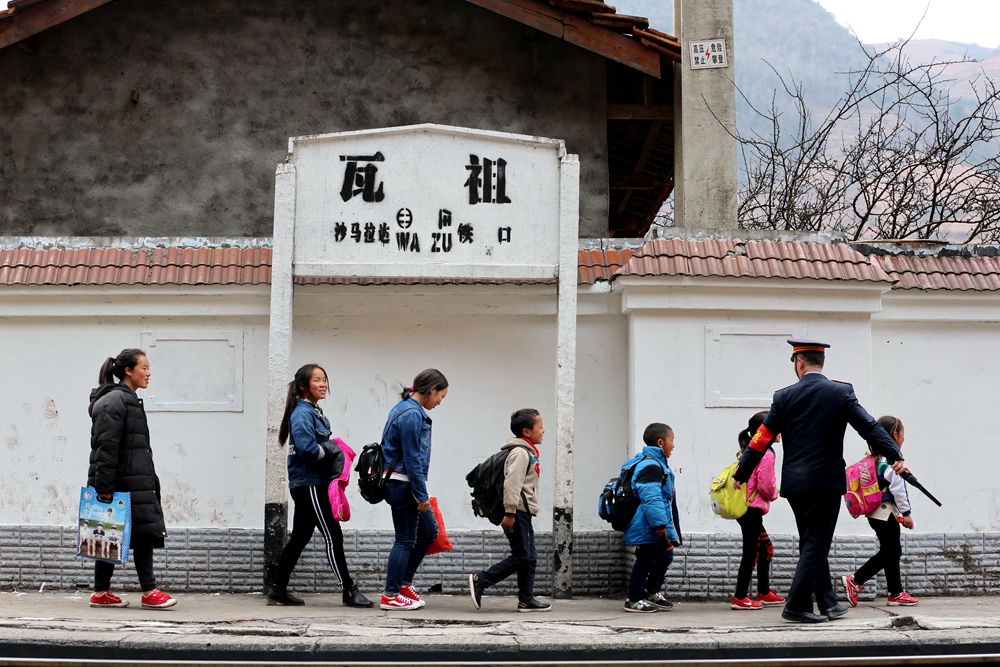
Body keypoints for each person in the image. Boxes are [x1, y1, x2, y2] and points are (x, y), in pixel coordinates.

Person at [733, 339, 907, 623]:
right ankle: (797, 605)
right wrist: (895, 453)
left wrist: (742, 472)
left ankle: (828, 603)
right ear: (819, 362)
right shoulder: (841, 392)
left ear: (799, 363)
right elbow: (870, 428)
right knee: (816, 543)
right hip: (825, 483)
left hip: (795, 485)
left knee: (812, 542)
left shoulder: (783, 397)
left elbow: (761, 438)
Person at [267, 364, 372, 608]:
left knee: (300, 537)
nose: (323, 384)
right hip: (311, 484)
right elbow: (307, 449)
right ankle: (349, 590)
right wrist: (330, 450)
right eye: (317, 380)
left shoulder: (312, 411)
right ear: (304, 386)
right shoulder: (303, 414)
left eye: (324, 379)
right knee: (333, 536)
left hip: (309, 483)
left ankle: (278, 589)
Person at [88, 348, 176, 609]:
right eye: (144, 367)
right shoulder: (115, 401)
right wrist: (104, 487)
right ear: (128, 370)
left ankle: (101, 593)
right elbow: (106, 446)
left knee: (118, 536)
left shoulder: (128, 400)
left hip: (133, 480)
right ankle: (150, 592)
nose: (149, 373)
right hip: (123, 482)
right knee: (138, 535)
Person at [468, 408, 551, 613]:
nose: (543, 430)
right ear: (526, 432)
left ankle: (526, 600)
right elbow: (512, 484)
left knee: (529, 556)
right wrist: (510, 512)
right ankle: (482, 579)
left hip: (523, 511)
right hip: (518, 512)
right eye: (540, 427)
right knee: (522, 555)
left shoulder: (527, 451)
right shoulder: (521, 453)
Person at [379, 369, 448, 611]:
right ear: (432, 390)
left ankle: (403, 584)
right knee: (405, 539)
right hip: (402, 484)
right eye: (441, 396)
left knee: (429, 530)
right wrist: (421, 496)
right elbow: (412, 458)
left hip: (404, 482)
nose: (440, 402)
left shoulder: (407, 409)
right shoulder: (411, 415)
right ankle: (390, 594)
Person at [842, 415, 920, 607]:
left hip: (875, 513)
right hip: (886, 513)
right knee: (890, 551)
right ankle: (856, 580)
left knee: (892, 551)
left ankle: (896, 593)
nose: (903, 438)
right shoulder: (892, 463)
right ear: (894, 435)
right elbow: (899, 492)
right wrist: (907, 514)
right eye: (902, 434)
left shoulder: (875, 460)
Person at [621, 423, 681, 613]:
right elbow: (651, 498)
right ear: (661, 442)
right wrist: (659, 524)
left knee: (665, 555)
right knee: (646, 559)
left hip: (653, 522)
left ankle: (651, 592)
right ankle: (633, 598)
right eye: (672, 440)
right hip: (649, 523)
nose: (673, 445)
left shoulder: (655, 463)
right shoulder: (651, 466)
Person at [731, 411, 784, 610]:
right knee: (751, 552)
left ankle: (763, 592)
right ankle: (740, 597)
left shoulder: (751, 449)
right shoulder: (767, 454)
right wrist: (774, 495)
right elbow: (766, 485)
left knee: (765, 548)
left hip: (746, 509)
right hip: (751, 510)